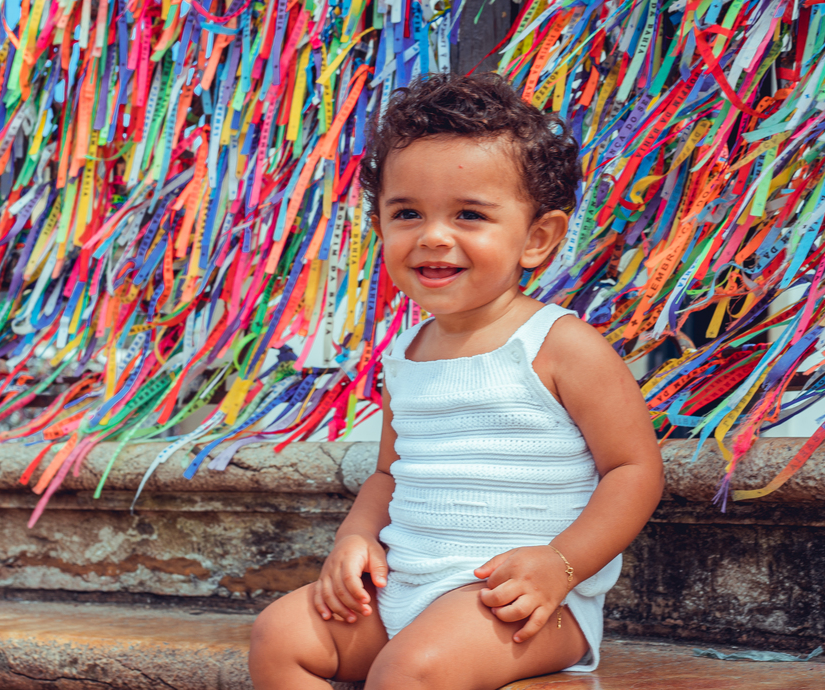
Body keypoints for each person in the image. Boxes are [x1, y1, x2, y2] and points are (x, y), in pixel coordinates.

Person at [249, 73, 665, 690]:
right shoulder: (408, 355)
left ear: (538, 237)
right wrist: (356, 537)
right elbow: (389, 474)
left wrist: (561, 564)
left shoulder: (559, 344)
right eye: (407, 213)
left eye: (469, 214)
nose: (433, 235)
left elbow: (634, 470)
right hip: (408, 586)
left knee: (411, 671)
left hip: (519, 601)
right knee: (280, 634)